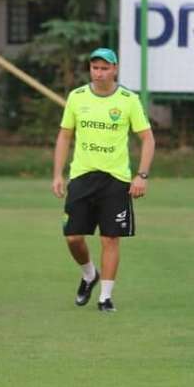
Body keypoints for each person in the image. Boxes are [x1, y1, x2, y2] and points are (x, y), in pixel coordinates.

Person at [52, 47, 155, 313]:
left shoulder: (128, 100)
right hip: (82, 176)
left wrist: (141, 175)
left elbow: (147, 138)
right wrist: (57, 174)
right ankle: (89, 275)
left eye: (105, 68)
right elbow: (65, 136)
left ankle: (105, 297)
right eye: (95, 68)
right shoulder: (77, 97)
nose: (99, 73)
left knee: (110, 238)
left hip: (116, 179)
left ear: (115, 69)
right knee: (73, 237)